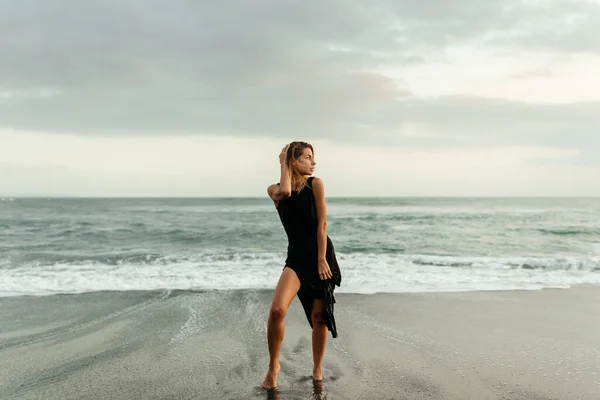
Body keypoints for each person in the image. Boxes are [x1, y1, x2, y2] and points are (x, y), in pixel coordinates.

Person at [262, 141, 342, 389]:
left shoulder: (316, 184)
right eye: (307, 157)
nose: (313, 162)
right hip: (295, 259)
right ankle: (274, 365)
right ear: (292, 161)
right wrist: (283, 162)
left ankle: (317, 368)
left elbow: (322, 225)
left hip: (320, 256)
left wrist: (321, 259)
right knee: (277, 311)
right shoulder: (274, 190)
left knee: (319, 317)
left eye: (312, 157)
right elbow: (286, 193)